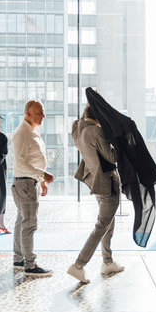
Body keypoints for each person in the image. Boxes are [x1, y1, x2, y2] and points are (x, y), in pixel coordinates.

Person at [67, 103, 124, 284]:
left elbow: (83, 120)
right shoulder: (96, 132)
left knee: (108, 222)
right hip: (107, 184)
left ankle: (107, 261)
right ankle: (78, 265)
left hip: (95, 181)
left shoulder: (78, 128)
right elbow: (113, 157)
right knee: (102, 225)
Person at [12, 100, 54, 277]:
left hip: (29, 181)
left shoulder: (32, 130)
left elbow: (34, 157)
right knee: (29, 223)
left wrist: (41, 180)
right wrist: (43, 174)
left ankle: (18, 259)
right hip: (25, 183)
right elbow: (20, 161)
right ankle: (30, 265)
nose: (43, 116)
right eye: (39, 113)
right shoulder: (22, 133)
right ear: (27, 114)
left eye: (43, 112)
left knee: (22, 220)